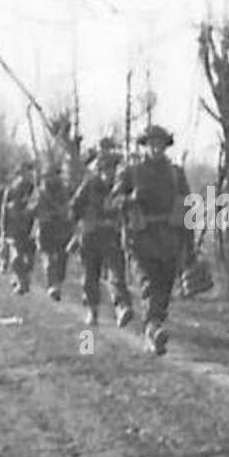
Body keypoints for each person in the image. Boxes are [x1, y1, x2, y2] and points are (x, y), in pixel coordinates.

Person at [114, 125, 193, 355]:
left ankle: (154, 326)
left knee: (165, 287)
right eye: (152, 144)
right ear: (145, 145)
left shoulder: (176, 174)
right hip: (141, 239)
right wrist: (130, 199)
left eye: (160, 144)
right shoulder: (131, 172)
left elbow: (187, 208)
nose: (156, 148)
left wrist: (189, 247)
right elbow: (113, 201)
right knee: (148, 283)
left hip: (169, 239)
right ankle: (153, 328)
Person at [69, 140, 134, 328]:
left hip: (112, 237)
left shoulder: (122, 186)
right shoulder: (89, 185)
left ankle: (122, 307)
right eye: (105, 169)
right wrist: (76, 228)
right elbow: (74, 208)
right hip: (90, 237)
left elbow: (132, 206)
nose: (109, 174)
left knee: (117, 275)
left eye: (112, 169)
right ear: (99, 170)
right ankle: (92, 310)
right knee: (90, 276)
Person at [34, 162, 74, 301]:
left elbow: (68, 208)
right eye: (47, 176)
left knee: (62, 259)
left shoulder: (64, 191)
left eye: (52, 176)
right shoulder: (40, 193)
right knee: (49, 259)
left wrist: (61, 213)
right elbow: (35, 210)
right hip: (46, 229)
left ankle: (58, 283)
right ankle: (53, 286)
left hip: (63, 229)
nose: (49, 179)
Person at [0, 164, 36, 295]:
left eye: (27, 173)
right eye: (22, 173)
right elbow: (5, 210)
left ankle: (23, 278)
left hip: (31, 227)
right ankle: (22, 281)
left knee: (29, 258)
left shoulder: (34, 188)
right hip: (16, 228)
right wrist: (3, 229)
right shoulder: (12, 190)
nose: (25, 176)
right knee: (17, 258)